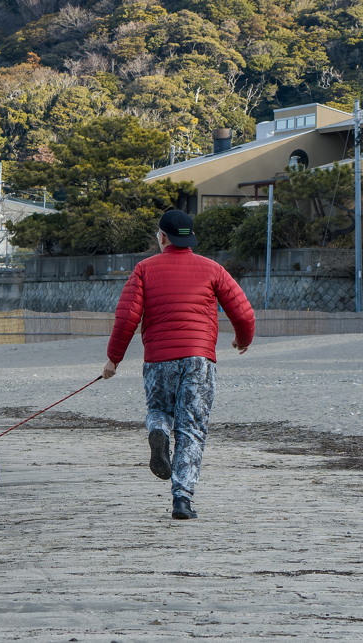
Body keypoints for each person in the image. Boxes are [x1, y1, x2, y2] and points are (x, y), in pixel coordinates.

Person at [103, 210, 255, 520]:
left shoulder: (144, 269)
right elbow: (243, 312)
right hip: (199, 359)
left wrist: (113, 359)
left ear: (162, 237)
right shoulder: (213, 269)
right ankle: (182, 500)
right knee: (192, 429)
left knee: (159, 410)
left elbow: (127, 318)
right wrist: (242, 339)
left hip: (159, 359)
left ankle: (158, 430)